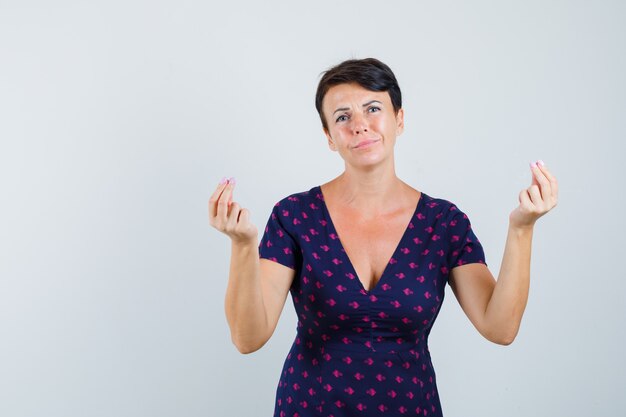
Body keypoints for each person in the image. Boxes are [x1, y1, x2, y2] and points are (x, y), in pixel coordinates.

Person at [208, 57, 558, 417]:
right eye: (342, 117)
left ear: (399, 120)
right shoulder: (294, 216)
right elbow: (248, 338)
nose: (359, 126)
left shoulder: (443, 222)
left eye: (373, 108)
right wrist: (243, 245)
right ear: (329, 136)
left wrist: (522, 228)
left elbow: (499, 328)